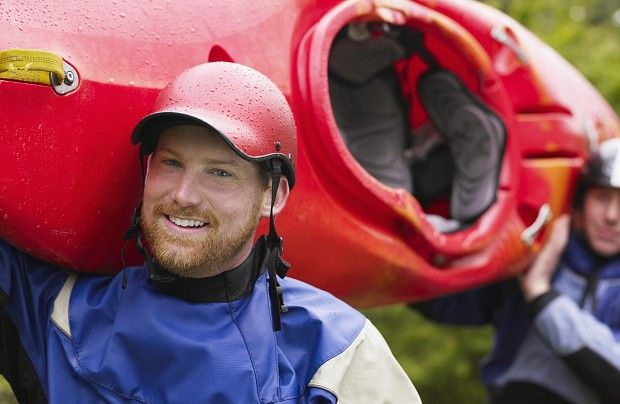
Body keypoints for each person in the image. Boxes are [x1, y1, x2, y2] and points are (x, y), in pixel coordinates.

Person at [0, 62, 420, 403]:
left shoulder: (334, 353)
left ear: (272, 195)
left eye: (219, 172)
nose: (184, 195)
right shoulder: (58, 310)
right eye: (171, 163)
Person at [413, 138, 620, 403]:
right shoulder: (533, 249)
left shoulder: (541, 273)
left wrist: (541, 295)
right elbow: (449, 301)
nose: (612, 216)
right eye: (602, 198)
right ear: (581, 201)